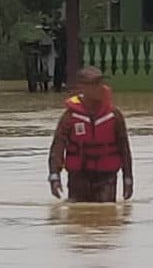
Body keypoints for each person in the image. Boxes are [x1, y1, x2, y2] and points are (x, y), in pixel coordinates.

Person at [48, 66, 134, 202]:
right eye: (94, 84)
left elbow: (124, 149)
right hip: (78, 176)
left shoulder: (114, 115)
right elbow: (57, 147)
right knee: (78, 215)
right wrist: (54, 176)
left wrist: (128, 178)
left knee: (106, 214)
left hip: (107, 177)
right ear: (82, 87)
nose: (99, 87)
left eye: (100, 83)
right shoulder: (69, 117)